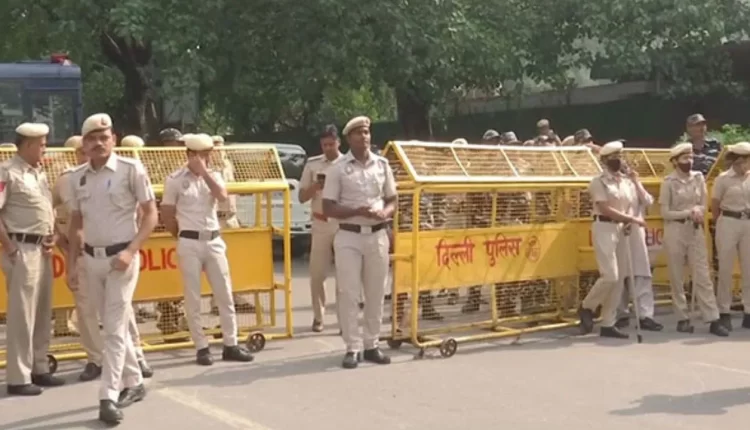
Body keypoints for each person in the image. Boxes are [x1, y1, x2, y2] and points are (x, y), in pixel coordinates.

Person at [67, 113, 158, 424]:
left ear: (114, 139)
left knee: (114, 328)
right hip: (91, 260)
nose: (98, 143)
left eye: (104, 137)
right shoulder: (77, 177)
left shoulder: (131, 170)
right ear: (84, 144)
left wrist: (132, 251)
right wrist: (72, 264)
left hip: (122, 259)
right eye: (92, 139)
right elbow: (76, 223)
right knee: (108, 322)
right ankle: (134, 380)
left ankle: (108, 395)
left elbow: (150, 214)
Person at [161, 133, 254, 366]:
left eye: (207, 154)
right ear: (190, 155)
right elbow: (167, 214)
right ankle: (201, 347)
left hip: (213, 239)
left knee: (224, 293)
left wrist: (204, 173)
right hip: (189, 241)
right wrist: (181, 235)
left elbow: (222, 197)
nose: (206, 158)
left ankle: (231, 343)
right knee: (192, 296)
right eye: (201, 155)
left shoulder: (214, 176)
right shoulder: (174, 179)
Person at [322, 116, 397, 369]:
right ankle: (352, 347)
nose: (364, 137)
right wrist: (357, 211)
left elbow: (392, 199)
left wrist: (385, 213)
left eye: (366, 132)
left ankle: (372, 344)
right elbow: (328, 207)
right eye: (358, 133)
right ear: (348, 138)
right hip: (349, 235)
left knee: (376, 292)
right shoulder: (338, 168)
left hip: (377, 234)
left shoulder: (382, 164)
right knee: (349, 292)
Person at [1, 122, 63, 396]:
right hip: (21, 248)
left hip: (42, 249)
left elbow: (46, 210)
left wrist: (54, 236)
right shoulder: (7, 172)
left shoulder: (39, 174)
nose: (44, 149)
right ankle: (18, 376)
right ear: (27, 145)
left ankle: (39, 366)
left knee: (42, 311)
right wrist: (9, 246)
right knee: (22, 314)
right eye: (41, 144)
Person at [578, 141, 646, 339]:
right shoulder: (598, 182)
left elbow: (631, 203)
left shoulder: (625, 182)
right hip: (604, 227)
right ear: (605, 160)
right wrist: (630, 219)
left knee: (620, 277)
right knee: (610, 275)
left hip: (622, 228)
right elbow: (605, 208)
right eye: (614, 157)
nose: (618, 160)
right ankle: (587, 306)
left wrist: (628, 218)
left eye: (620, 156)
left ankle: (608, 322)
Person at [661, 142, 727, 336]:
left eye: (690, 157)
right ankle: (682, 317)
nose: (689, 161)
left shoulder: (698, 178)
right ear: (675, 161)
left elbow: (703, 204)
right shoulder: (669, 182)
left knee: (703, 275)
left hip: (695, 229)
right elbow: (665, 212)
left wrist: (698, 210)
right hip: (675, 230)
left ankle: (712, 318)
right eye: (684, 158)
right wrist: (687, 212)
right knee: (677, 276)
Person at [55, 135, 105, 381]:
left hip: (108, 250)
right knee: (85, 310)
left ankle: (135, 355)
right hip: (81, 253)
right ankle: (96, 359)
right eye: (80, 151)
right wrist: (60, 239)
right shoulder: (66, 180)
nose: (85, 155)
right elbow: (46, 208)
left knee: (119, 308)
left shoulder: (109, 175)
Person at [299, 125, 344, 332]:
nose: (328, 148)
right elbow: (301, 197)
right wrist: (315, 187)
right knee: (317, 273)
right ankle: (319, 316)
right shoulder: (313, 164)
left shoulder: (348, 164)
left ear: (338, 143)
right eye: (324, 145)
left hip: (343, 223)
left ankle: (344, 319)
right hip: (320, 222)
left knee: (345, 274)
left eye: (331, 144)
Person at [613, 162, 663, 332]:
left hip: (636, 234)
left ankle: (645, 315)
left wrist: (636, 181)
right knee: (620, 275)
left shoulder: (633, 183)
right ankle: (620, 314)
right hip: (618, 232)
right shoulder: (611, 184)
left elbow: (648, 201)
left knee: (641, 274)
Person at [209, 134, 254, 314]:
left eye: (221, 145)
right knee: (217, 264)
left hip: (231, 217)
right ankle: (216, 302)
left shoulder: (228, 165)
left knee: (235, 260)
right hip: (217, 218)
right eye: (215, 146)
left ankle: (236, 296)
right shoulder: (208, 169)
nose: (218, 149)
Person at [711, 141, 750, 331]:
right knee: (725, 267)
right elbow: (715, 204)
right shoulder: (723, 179)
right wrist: (717, 223)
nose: (746, 164)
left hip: (747, 222)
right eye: (744, 160)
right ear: (737, 160)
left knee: (748, 268)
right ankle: (724, 311)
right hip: (728, 220)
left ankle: (748, 310)